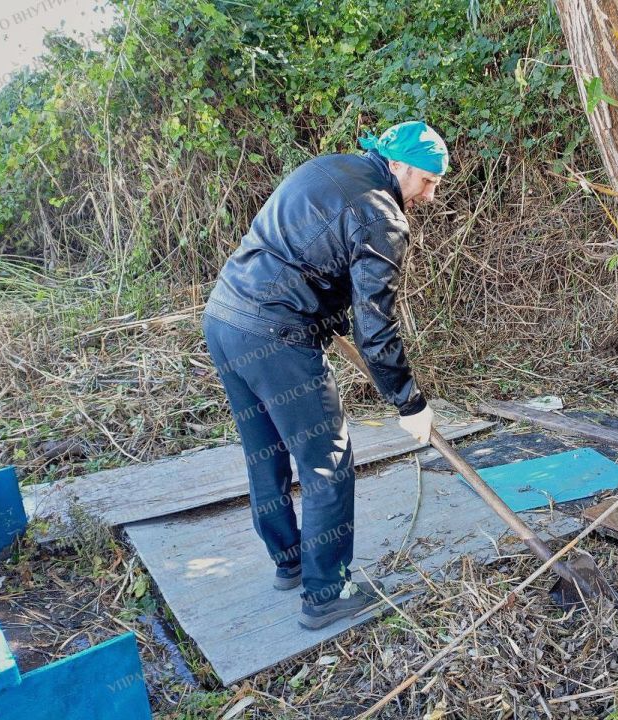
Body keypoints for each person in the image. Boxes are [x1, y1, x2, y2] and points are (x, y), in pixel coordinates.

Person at [201, 121, 448, 629]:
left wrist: (324, 312)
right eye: (425, 180)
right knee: (326, 460)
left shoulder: (326, 167)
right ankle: (327, 593)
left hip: (224, 316)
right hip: (275, 334)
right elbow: (375, 327)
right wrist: (409, 403)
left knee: (264, 448)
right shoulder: (382, 217)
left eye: (436, 184)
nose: (429, 195)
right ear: (397, 165)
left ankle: (289, 562)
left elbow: (301, 253)